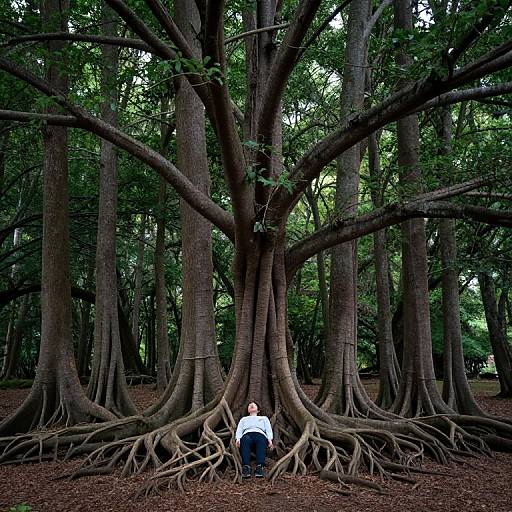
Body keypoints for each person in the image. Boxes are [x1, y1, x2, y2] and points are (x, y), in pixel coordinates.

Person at [235, 401, 273, 479]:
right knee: (244, 441)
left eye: (254, 405)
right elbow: (239, 429)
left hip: (260, 434)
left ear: (258, 410)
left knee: (261, 442)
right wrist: (238, 439)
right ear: (248, 410)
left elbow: (268, 429)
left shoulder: (263, 418)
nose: (251, 405)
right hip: (247, 434)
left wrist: (270, 439)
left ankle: (259, 467)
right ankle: (246, 467)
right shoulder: (244, 419)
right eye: (249, 405)